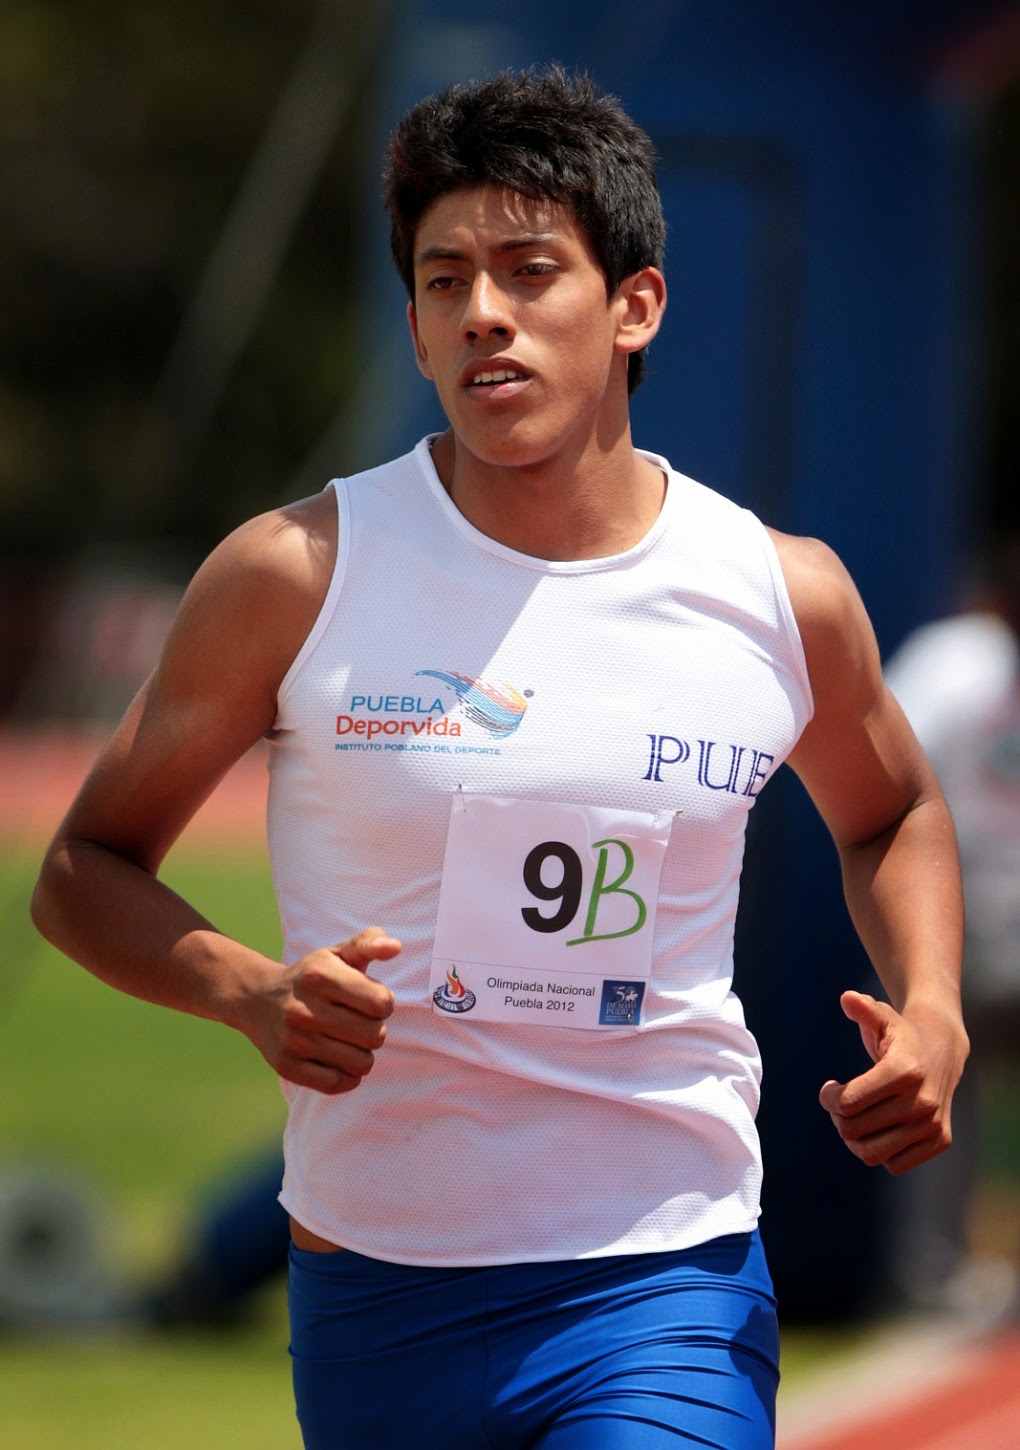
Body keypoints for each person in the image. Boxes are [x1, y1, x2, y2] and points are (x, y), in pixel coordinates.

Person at [32, 67, 968, 1449]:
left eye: (530, 271)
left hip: (664, 1274)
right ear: (415, 330)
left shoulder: (782, 593)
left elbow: (891, 810)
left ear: (635, 305)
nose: (483, 311)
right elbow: (82, 868)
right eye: (444, 279)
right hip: (375, 1289)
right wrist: (249, 990)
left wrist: (934, 1007)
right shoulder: (295, 574)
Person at [884, 534, 1020, 1319]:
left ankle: (933, 1278)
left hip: (957, 920)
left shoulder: (952, 656)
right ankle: (934, 1277)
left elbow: (888, 775)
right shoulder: (959, 658)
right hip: (959, 922)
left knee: (933, 1092)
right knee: (931, 1092)